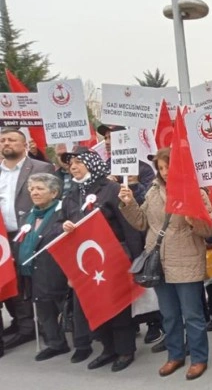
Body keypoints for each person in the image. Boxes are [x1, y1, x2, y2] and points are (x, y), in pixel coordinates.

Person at [118, 147, 212, 380]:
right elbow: (142, 223)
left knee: (192, 314)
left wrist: (195, 221)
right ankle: (175, 354)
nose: (164, 172)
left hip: (186, 259)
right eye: (160, 168)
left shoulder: (195, 192)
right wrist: (129, 203)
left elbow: (210, 229)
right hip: (158, 260)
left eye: (167, 167)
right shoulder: (152, 192)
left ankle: (199, 357)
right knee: (169, 314)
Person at [60, 147, 139, 371]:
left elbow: (128, 225)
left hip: (113, 257)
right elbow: (60, 221)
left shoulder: (111, 189)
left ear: (91, 163)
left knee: (118, 305)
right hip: (85, 261)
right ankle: (108, 348)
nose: (73, 167)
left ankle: (125, 350)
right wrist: (62, 226)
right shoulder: (72, 193)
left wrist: (135, 257)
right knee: (95, 306)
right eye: (70, 163)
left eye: (78, 162)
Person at [0, 128, 54, 355]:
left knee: (27, 280)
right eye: (2, 140)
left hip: (30, 233)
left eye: (12, 139)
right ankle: (21, 322)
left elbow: (52, 197)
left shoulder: (41, 168)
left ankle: (36, 325)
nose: (6, 143)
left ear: (24, 145)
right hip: (4, 236)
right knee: (8, 279)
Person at [16, 174, 68, 361]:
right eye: (32, 189)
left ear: (54, 193)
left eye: (40, 189)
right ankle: (56, 343)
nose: (34, 193)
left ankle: (82, 342)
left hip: (55, 270)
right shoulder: (28, 215)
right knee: (43, 308)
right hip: (32, 270)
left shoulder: (62, 213)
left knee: (62, 306)